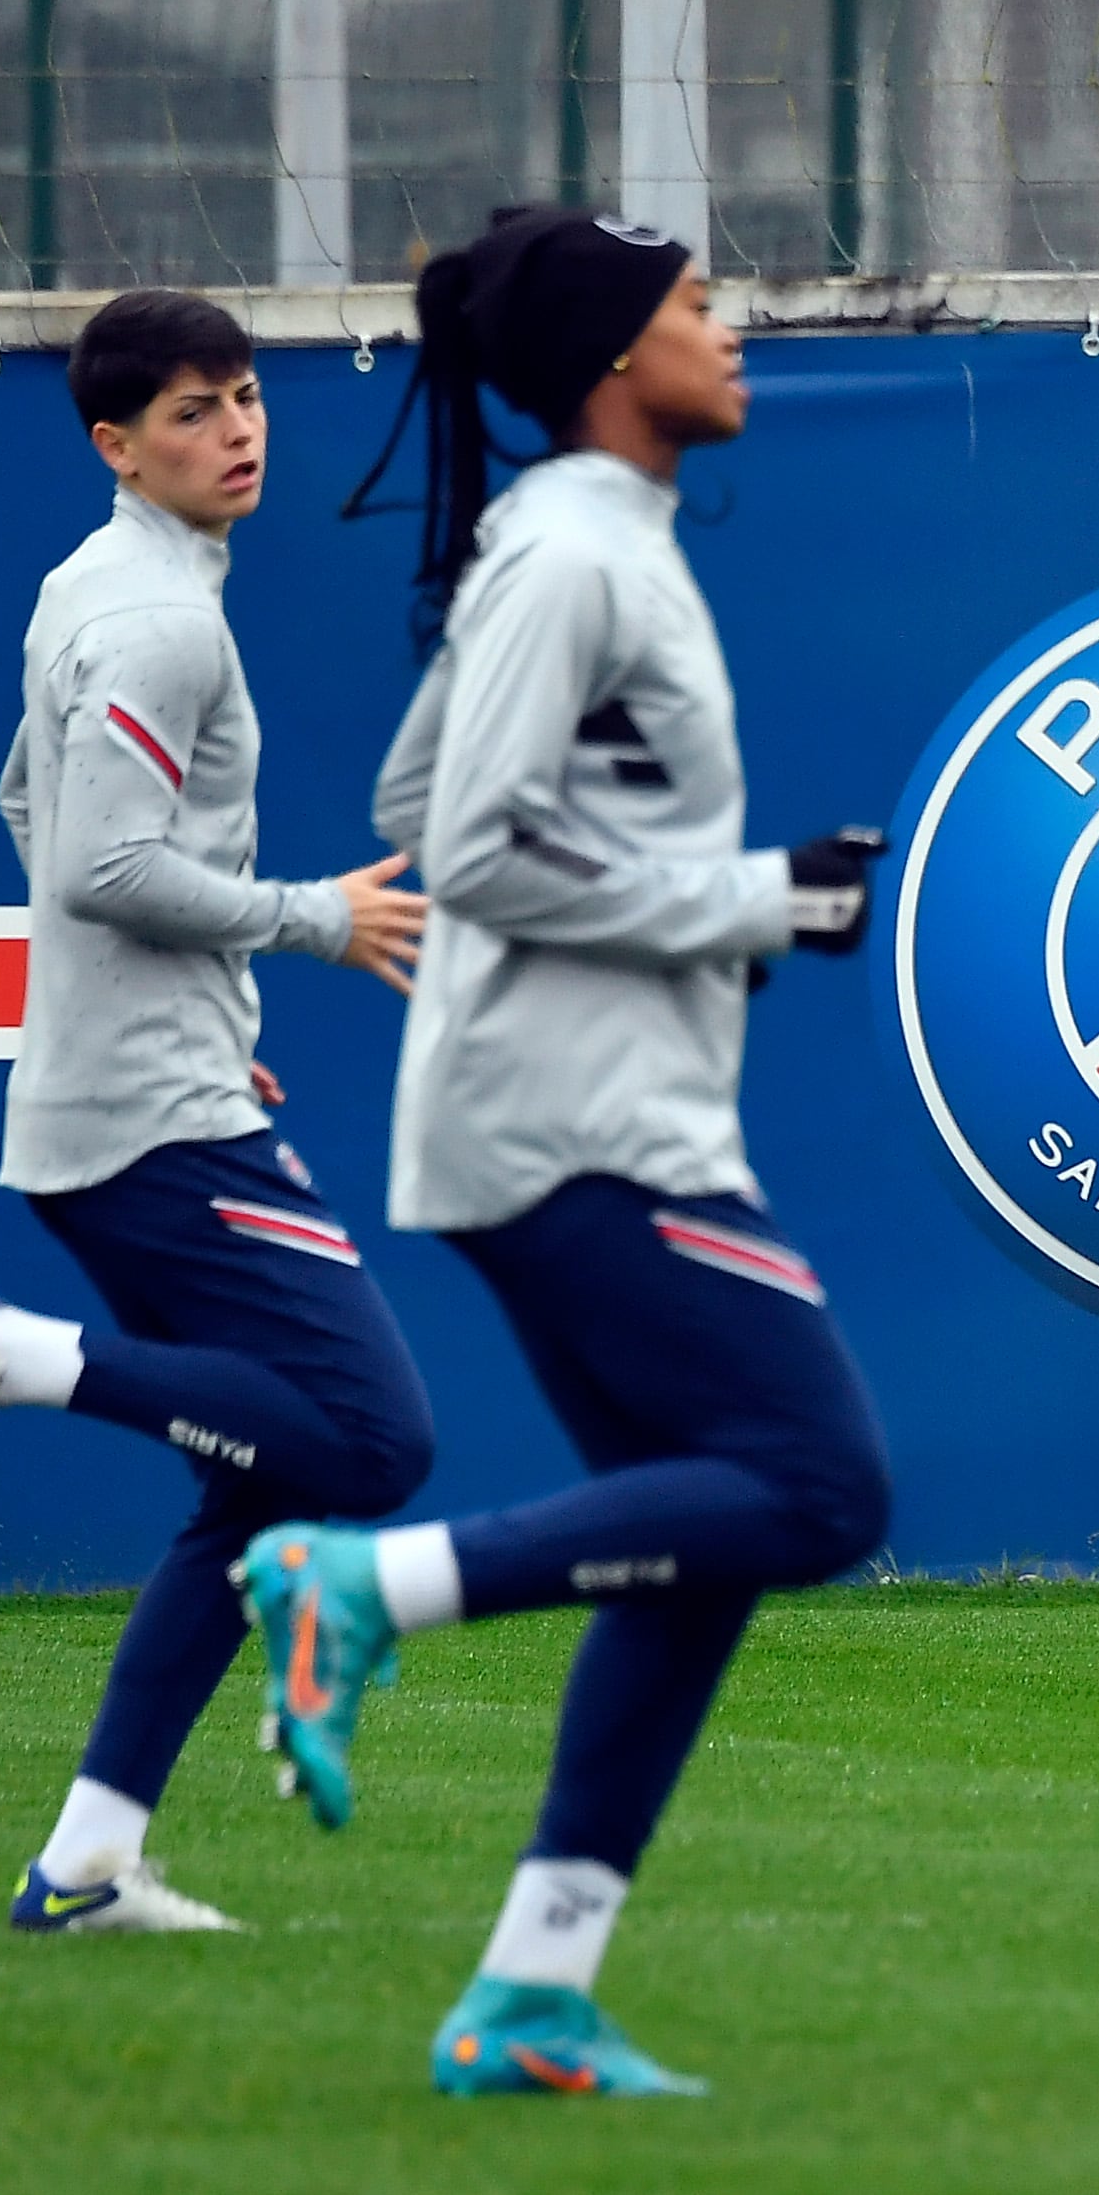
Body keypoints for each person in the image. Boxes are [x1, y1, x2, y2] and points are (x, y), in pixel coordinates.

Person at [238, 207, 899, 2098]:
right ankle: (363, 1589)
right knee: (820, 1485)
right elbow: (486, 852)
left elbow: (407, 799)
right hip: (579, 1123)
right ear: (617, 362)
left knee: (693, 1550)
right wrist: (754, 897)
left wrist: (709, 890)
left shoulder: (580, 543)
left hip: (578, 1110)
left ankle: (531, 1992)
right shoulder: (572, 556)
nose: (732, 327)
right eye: (698, 306)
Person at [0, 287, 437, 1937]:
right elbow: (97, 861)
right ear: (117, 444)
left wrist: (182, 1000)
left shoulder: (103, 585)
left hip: (137, 1086)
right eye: (194, 410)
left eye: (248, 395)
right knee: (374, 1436)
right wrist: (316, 917)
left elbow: (17, 800)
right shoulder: (155, 620)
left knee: (261, 1481)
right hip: (147, 1120)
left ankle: (88, 1862)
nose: (240, 428)